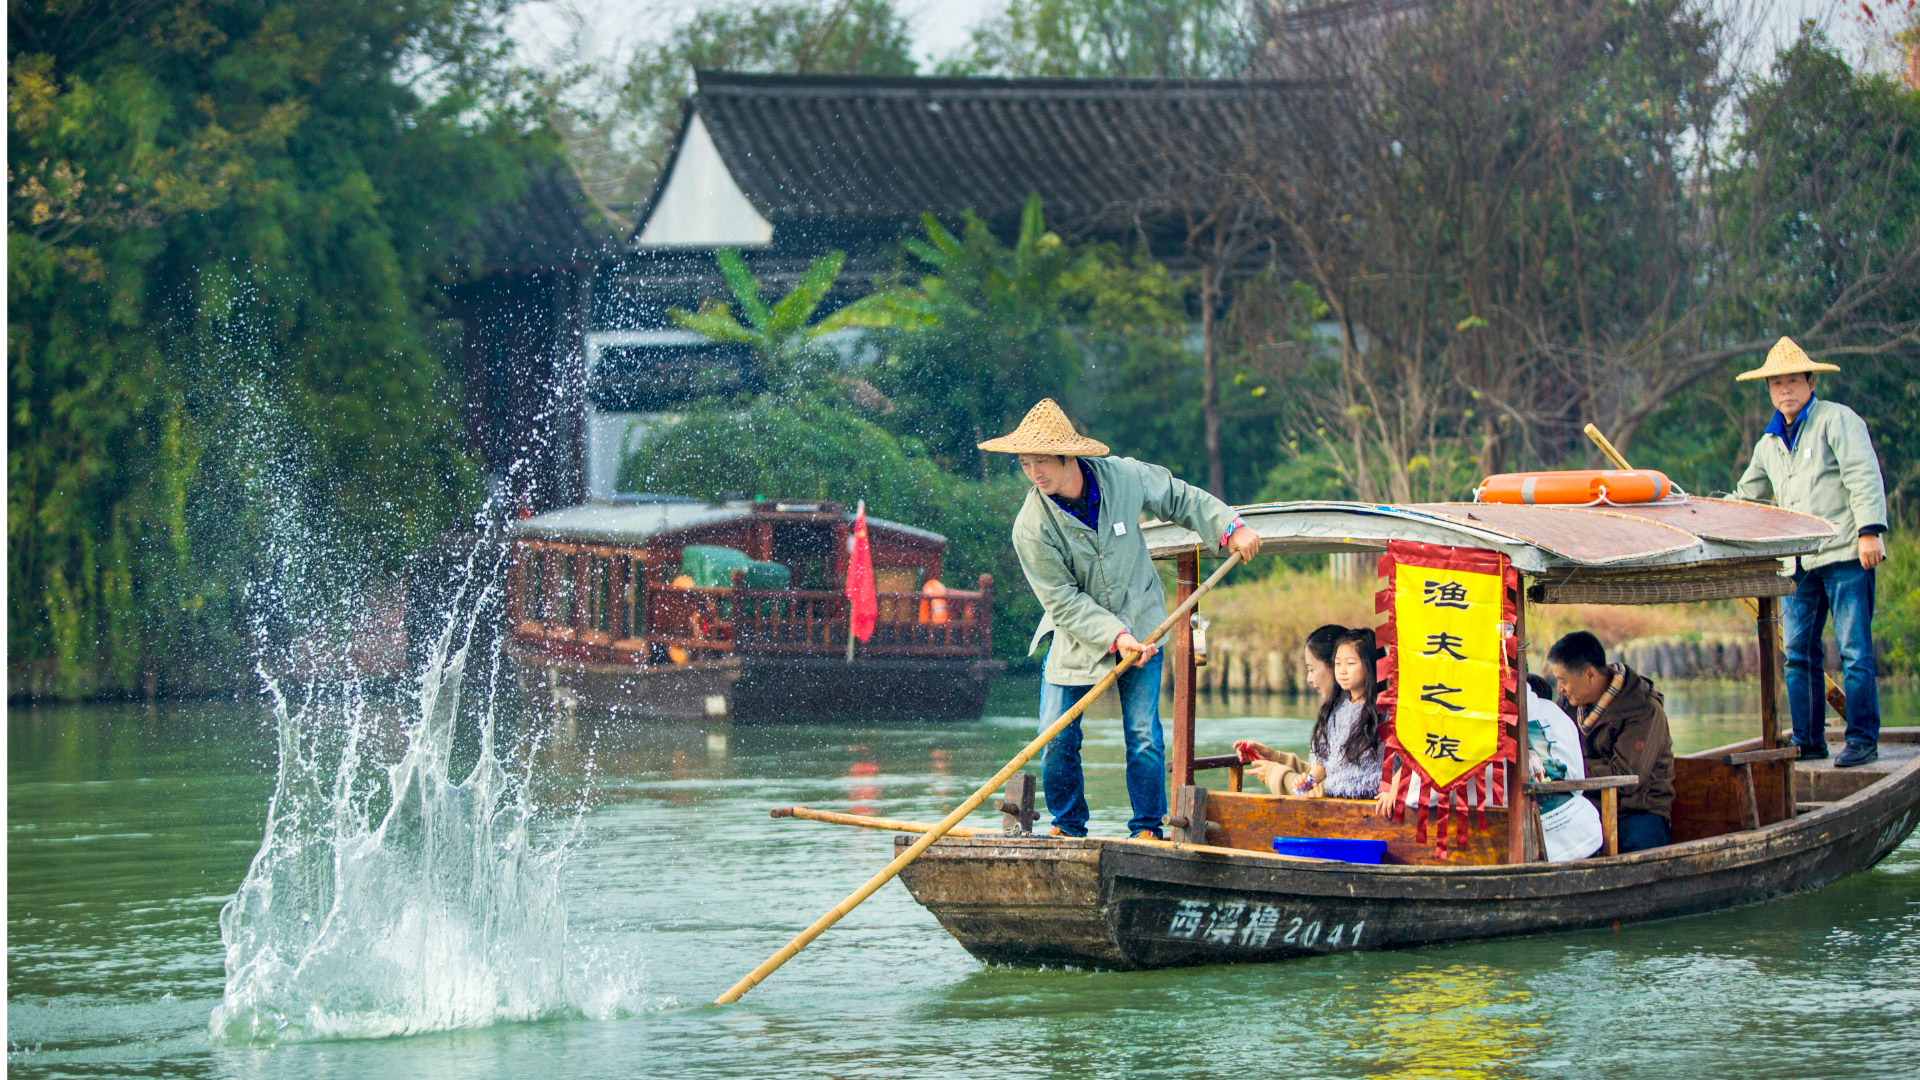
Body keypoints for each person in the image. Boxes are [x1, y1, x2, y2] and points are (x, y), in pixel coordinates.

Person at [980, 399, 1262, 839]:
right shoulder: (1030, 527)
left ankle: (1147, 828)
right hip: (1074, 636)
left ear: (1068, 457)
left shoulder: (1123, 476)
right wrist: (1114, 636)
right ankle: (1068, 827)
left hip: (1144, 621)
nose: (1034, 473)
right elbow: (1063, 601)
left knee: (1144, 737)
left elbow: (1178, 496)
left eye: (1042, 462)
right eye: (1025, 463)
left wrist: (1230, 528)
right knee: (1056, 739)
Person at [1731, 336, 1890, 769]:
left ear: (1810, 382)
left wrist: (1870, 532)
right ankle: (1808, 741)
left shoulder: (1837, 421)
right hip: (1796, 563)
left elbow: (1863, 475)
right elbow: (1747, 497)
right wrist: (1694, 508)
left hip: (1844, 553)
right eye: (1777, 384)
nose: (1785, 391)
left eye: (1793, 382)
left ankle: (1861, 740)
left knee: (1855, 650)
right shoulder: (1769, 443)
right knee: (1798, 653)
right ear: (1769, 390)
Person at [1545, 631, 1675, 852]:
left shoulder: (1644, 709)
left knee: (1634, 848)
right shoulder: (1569, 705)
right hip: (1585, 806)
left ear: (1589, 674)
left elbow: (1626, 776)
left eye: (1563, 680)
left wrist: (1565, 768)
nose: (1560, 689)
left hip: (1638, 811)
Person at [1235, 624, 1346, 796]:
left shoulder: (1356, 719)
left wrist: (1274, 773)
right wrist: (1275, 759)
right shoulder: (1339, 713)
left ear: (1337, 666)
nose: (1309, 679)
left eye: (1311, 669)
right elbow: (1320, 774)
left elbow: (1326, 792)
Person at [1525, 673, 1603, 862]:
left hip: (1513, 843)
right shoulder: (1554, 712)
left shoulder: (1472, 719)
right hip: (1580, 834)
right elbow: (1578, 778)